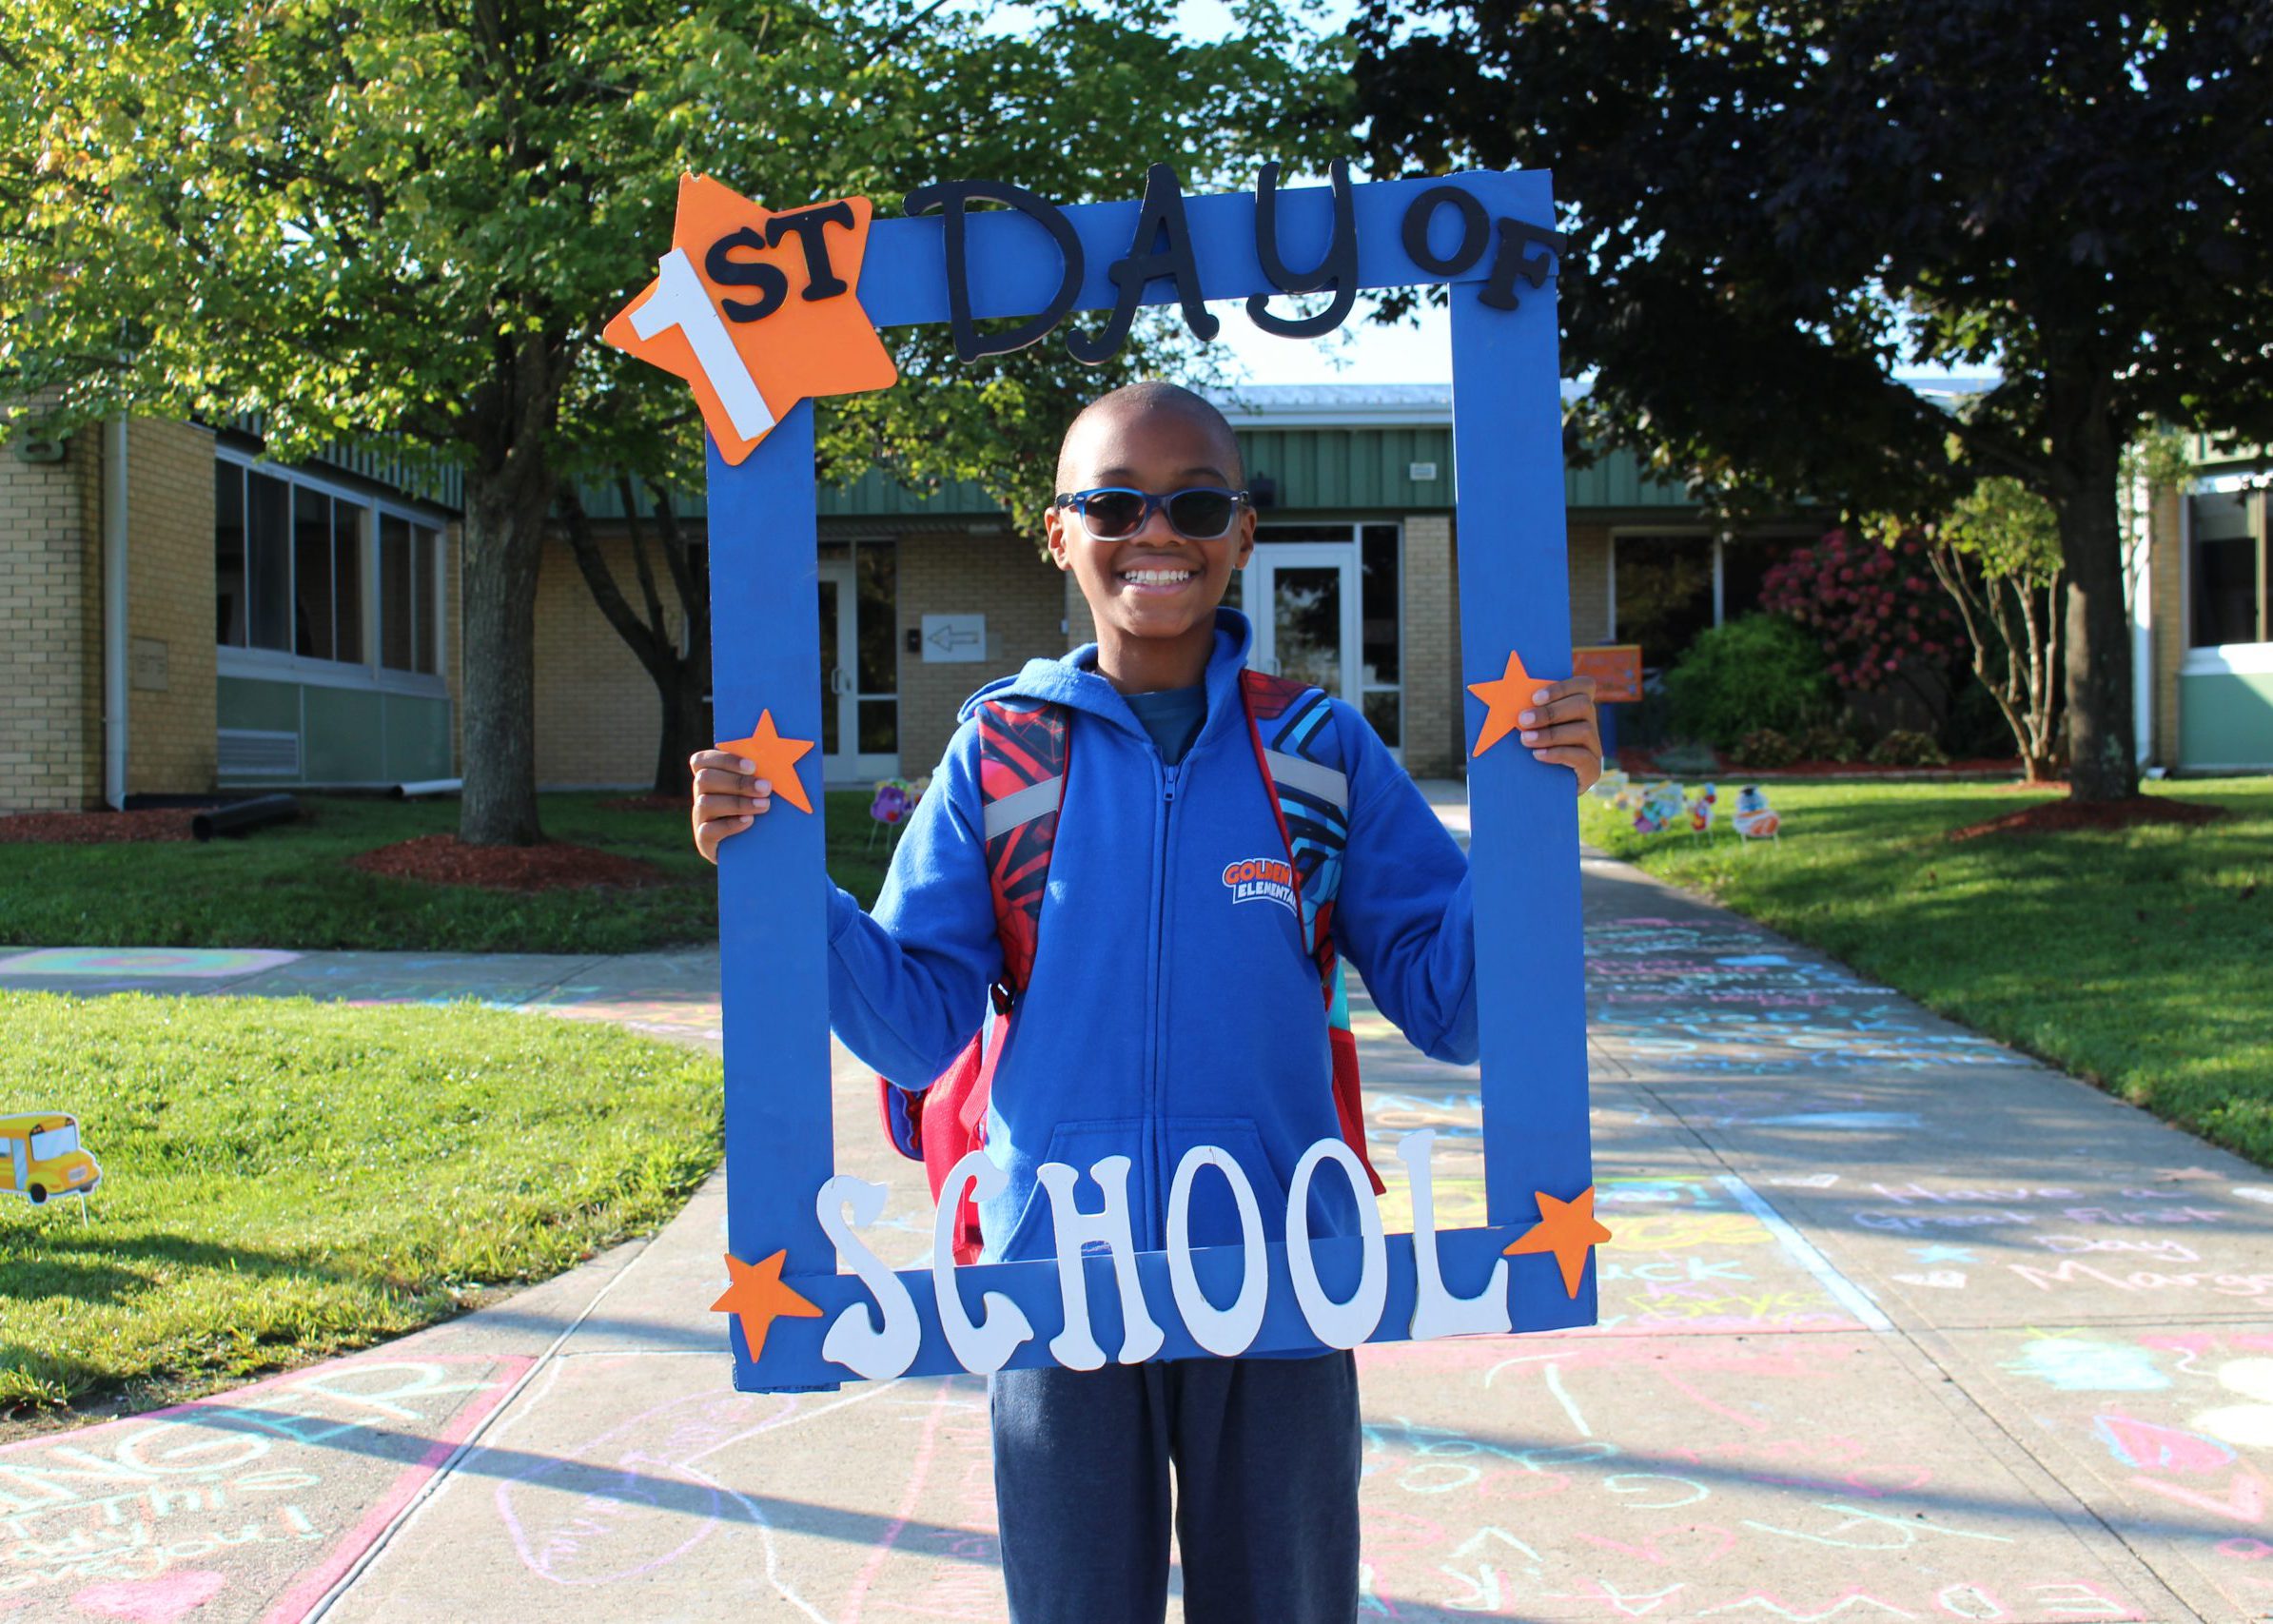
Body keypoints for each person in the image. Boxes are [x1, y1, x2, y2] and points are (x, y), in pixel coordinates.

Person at [690, 381, 1600, 1622]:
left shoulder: (1318, 752)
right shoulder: (1002, 753)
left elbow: (1457, 1008)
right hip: (1053, 1280)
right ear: (1057, 533)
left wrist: (1529, 825)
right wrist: (779, 876)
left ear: (1241, 531)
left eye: (1194, 502)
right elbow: (913, 1027)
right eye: (1113, 503)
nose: (1153, 533)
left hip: (1278, 1279)